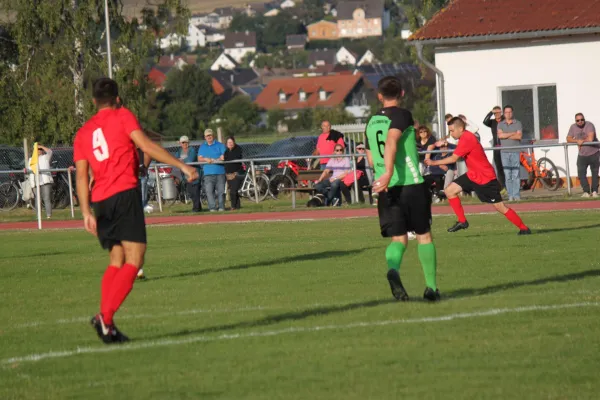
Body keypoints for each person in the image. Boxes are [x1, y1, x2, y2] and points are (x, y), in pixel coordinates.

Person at [73, 78, 198, 344]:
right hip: (124, 194)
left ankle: (108, 324)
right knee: (135, 259)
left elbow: (82, 176)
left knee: (116, 260)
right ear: (117, 98)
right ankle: (105, 318)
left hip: (101, 201)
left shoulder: (84, 132)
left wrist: (85, 211)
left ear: (94, 102)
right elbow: (148, 146)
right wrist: (182, 166)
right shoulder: (123, 116)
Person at [368, 76, 439, 302]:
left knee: (398, 240)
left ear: (379, 96)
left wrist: (382, 175)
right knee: (424, 236)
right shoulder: (402, 115)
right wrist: (390, 171)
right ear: (401, 94)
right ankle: (431, 287)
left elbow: (370, 159)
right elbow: (391, 141)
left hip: (386, 189)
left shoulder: (371, 122)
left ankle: (393, 271)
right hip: (409, 184)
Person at [425, 117, 531, 235]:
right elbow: (450, 143)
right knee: (449, 191)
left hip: (486, 178)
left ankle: (524, 228)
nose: (451, 133)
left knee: (500, 207)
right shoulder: (463, 136)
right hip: (473, 175)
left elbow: (454, 158)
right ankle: (462, 221)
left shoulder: (467, 138)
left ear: (460, 129)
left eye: (452, 130)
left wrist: (434, 162)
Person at [566, 113, 599, 197]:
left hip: (594, 152)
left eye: (582, 119)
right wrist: (577, 141)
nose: (580, 121)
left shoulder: (589, 125)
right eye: (578, 120)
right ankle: (586, 192)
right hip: (582, 154)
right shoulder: (573, 127)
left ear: (584, 119)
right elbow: (568, 138)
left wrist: (581, 141)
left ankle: (595, 191)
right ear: (575, 121)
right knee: (581, 174)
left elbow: (591, 138)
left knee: (594, 173)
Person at [497, 105, 523, 201]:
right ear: (504, 113)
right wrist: (513, 133)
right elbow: (500, 136)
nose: (508, 114)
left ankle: (516, 195)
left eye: (510, 112)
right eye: (506, 112)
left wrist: (506, 135)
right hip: (504, 152)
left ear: (512, 112)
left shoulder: (518, 123)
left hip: (515, 151)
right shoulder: (500, 124)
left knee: (515, 174)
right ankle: (510, 195)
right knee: (508, 175)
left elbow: (519, 137)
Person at [197, 129, 226, 212]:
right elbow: (199, 158)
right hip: (208, 173)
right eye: (207, 136)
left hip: (220, 172)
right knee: (209, 192)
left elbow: (224, 156)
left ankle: (221, 207)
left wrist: (218, 159)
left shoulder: (220, 145)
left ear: (213, 136)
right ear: (205, 137)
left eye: (210, 135)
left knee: (220, 191)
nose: (209, 137)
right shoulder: (202, 147)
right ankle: (212, 208)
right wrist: (206, 159)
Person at [175, 135, 203, 212]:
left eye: (185, 142)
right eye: (182, 143)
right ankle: (198, 207)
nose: (184, 144)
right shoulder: (179, 151)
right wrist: (180, 161)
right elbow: (175, 159)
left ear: (188, 143)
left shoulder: (192, 150)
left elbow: (190, 160)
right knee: (190, 192)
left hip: (194, 174)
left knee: (195, 192)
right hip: (185, 176)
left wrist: (181, 160)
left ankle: (196, 209)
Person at [483, 106, 506, 190]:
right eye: (495, 113)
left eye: (498, 112)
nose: (497, 114)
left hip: (505, 147)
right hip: (496, 148)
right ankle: (503, 186)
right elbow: (485, 121)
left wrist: (502, 114)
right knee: (499, 167)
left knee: (506, 167)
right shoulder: (492, 122)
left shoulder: (505, 121)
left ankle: (509, 186)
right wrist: (491, 112)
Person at [28, 144, 53, 219]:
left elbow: (50, 152)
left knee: (46, 198)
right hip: (36, 182)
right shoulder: (31, 160)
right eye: (37, 150)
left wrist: (41, 146)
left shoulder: (45, 157)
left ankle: (49, 215)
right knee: (37, 199)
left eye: (40, 150)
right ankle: (38, 216)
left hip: (45, 181)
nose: (39, 151)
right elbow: (29, 169)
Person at [224, 136, 244, 210]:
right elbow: (224, 158)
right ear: (226, 144)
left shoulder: (238, 149)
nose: (230, 144)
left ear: (234, 142)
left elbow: (235, 157)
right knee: (233, 191)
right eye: (228, 142)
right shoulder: (226, 151)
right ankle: (237, 206)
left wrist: (225, 158)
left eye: (231, 142)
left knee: (233, 191)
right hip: (229, 175)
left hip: (237, 173)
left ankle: (233, 206)